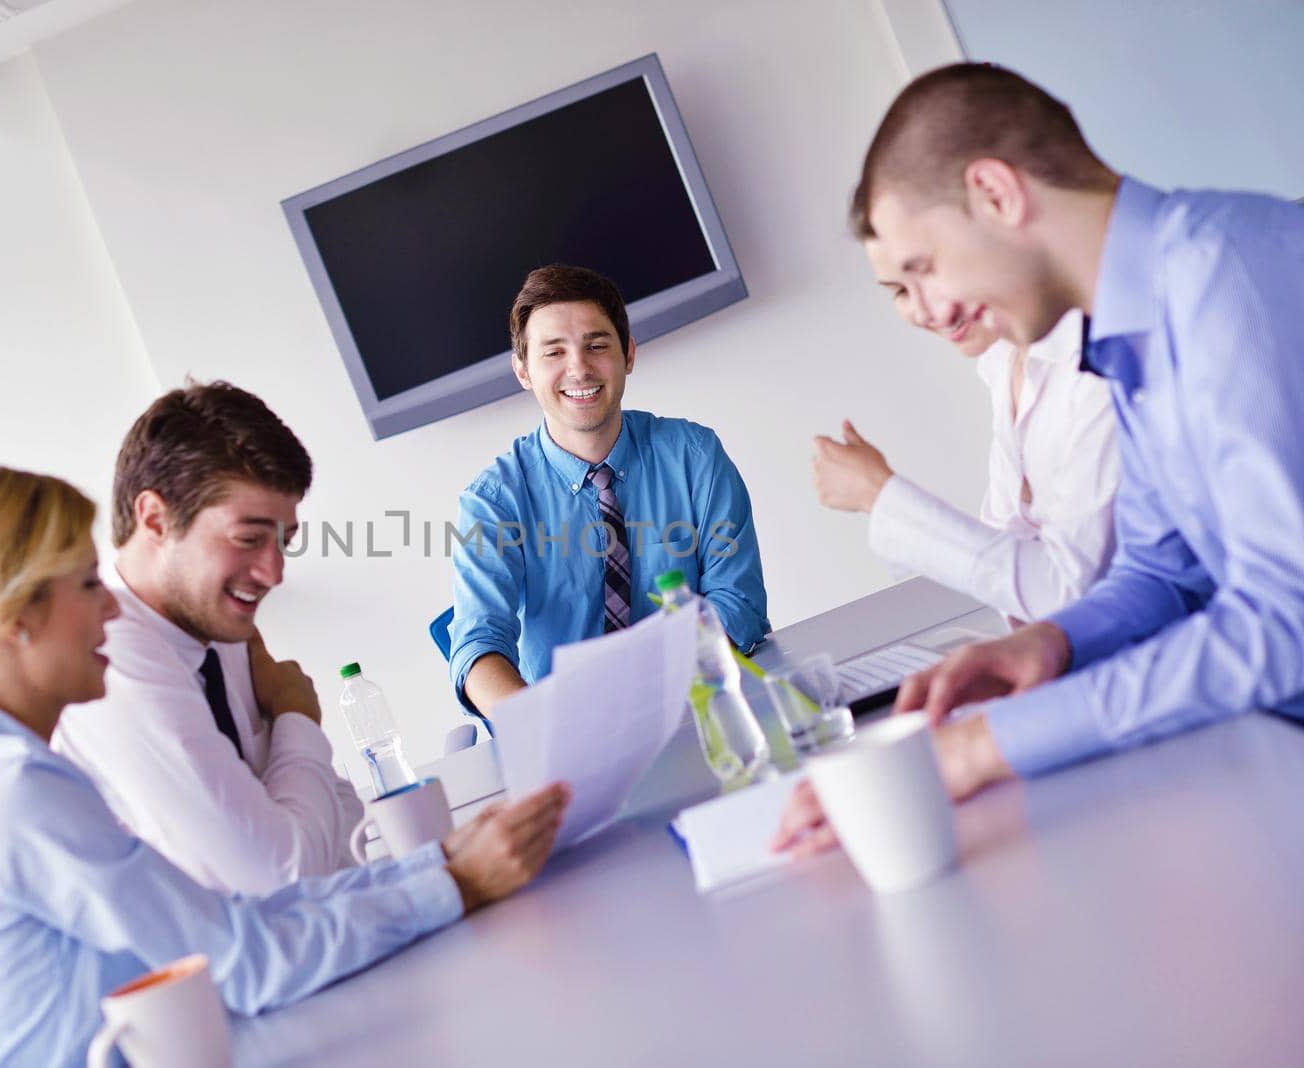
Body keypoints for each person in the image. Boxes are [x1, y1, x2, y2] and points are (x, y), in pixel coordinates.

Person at [0, 461, 569, 1067]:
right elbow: (243, 959)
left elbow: (234, 920)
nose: (110, 608)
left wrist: (440, 865)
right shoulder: (11, 792)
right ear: (15, 620)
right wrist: (458, 886)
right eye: (85, 584)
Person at [777, 62, 1304, 854]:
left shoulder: (1219, 276)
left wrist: (984, 747)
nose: (935, 308)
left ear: (996, 193)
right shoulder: (1129, 326)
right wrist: (1044, 645)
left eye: (923, 267)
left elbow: (1283, 622)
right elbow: (1162, 571)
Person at [53, 383, 360, 895]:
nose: (273, 572)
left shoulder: (213, 625)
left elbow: (336, 825)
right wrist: (296, 714)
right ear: (155, 518)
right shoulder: (110, 660)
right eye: (248, 539)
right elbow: (280, 880)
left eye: (284, 543)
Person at [450, 264, 770, 716]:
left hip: (703, 700)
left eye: (596, 346)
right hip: (574, 729)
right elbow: (477, 646)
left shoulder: (694, 455)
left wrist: (650, 687)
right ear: (523, 371)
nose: (578, 368)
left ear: (629, 355)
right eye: (553, 352)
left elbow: (738, 604)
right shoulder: (493, 502)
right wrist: (543, 727)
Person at [813, 235, 1118, 623]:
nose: (923, 311)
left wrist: (879, 495)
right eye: (900, 291)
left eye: (927, 274)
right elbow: (1004, 551)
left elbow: (1072, 595)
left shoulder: (1095, 366)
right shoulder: (1001, 361)